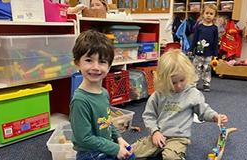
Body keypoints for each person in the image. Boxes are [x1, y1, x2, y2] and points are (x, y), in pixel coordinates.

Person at [131, 49, 228, 159]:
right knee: (131, 153)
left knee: (170, 157)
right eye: (173, 82)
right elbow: (149, 115)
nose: (179, 86)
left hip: (178, 137)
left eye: (182, 80)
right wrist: (155, 132)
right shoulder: (159, 94)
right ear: (163, 79)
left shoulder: (193, 94)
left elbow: (204, 110)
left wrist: (215, 116)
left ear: (188, 74)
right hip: (159, 134)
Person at [70, 30, 132, 160]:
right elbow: (84, 139)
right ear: (77, 63)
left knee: (130, 156)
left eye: (102, 62)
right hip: (90, 154)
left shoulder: (104, 93)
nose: (96, 67)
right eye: (89, 60)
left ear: (109, 66)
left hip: (104, 146)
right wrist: (115, 148)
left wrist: (119, 138)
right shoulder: (80, 100)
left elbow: (107, 121)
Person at [191, 4, 219, 92]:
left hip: (209, 53)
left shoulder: (214, 28)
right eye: (207, 13)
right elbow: (195, 39)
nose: (208, 15)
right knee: (197, 67)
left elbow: (215, 41)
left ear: (214, 16)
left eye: (211, 14)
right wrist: (191, 49)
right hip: (199, 52)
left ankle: (206, 83)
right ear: (203, 14)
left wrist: (215, 53)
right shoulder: (199, 27)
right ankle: (194, 82)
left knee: (207, 68)